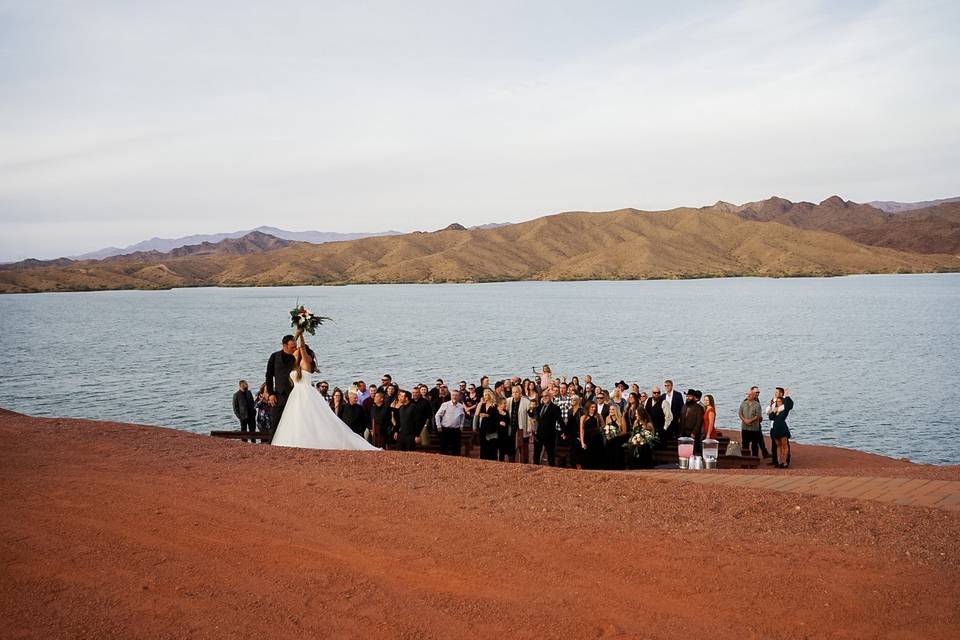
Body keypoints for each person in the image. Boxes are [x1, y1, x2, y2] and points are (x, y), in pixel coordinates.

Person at [270, 332, 379, 451]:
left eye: (296, 348)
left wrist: (300, 334)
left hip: (305, 394)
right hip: (295, 395)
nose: (295, 349)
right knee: (296, 420)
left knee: (309, 419)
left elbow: (301, 347)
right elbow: (289, 351)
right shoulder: (295, 364)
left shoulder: (305, 363)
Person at [264, 334, 298, 430]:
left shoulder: (297, 357)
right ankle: (272, 444)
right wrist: (271, 393)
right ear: (284, 346)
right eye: (292, 347)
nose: (295, 349)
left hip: (295, 395)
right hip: (279, 396)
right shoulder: (274, 356)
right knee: (276, 424)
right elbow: (269, 376)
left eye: (296, 346)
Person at [533, 389, 561, 466]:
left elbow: (560, 421)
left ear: (550, 396)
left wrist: (564, 432)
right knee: (536, 454)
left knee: (550, 455)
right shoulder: (539, 407)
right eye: (543, 396)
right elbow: (535, 419)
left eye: (546, 396)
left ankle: (552, 471)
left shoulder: (555, 408)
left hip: (550, 435)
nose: (545, 397)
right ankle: (535, 469)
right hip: (538, 435)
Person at [505, 385, 532, 463]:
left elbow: (529, 417)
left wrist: (529, 429)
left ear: (520, 393)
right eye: (513, 392)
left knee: (523, 449)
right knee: (511, 448)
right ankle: (511, 463)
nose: (514, 394)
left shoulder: (526, 402)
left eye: (516, 392)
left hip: (522, 429)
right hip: (511, 428)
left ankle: (524, 464)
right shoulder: (508, 401)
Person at [738, 386, 767, 458]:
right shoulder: (744, 403)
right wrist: (744, 420)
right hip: (745, 427)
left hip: (754, 427)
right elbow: (740, 412)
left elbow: (758, 415)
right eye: (747, 394)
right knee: (745, 443)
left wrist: (750, 420)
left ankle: (755, 457)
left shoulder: (757, 404)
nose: (748, 396)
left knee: (755, 444)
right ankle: (745, 458)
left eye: (758, 392)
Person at [768, 388, 794, 467]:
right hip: (775, 428)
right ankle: (779, 461)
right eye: (777, 402)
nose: (778, 403)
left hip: (782, 428)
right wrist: (774, 410)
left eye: (780, 401)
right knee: (778, 446)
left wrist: (786, 396)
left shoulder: (784, 409)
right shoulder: (775, 410)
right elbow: (770, 417)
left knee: (785, 445)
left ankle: (785, 462)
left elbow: (789, 405)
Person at [435, 389, 466, 456]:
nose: (454, 397)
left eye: (456, 395)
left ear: (459, 397)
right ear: (451, 396)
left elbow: (462, 416)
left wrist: (461, 426)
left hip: (456, 430)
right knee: (444, 449)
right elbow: (437, 415)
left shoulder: (460, 406)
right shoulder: (445, 405)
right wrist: (438, 426)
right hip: (445, 429)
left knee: (456, 449)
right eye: (453, 395)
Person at [579, 401, 604, 470]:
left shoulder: (599, 416)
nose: (593, 408)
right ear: (588, 407)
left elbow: (603, 427)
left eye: (595, 407)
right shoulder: (583, 417)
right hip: (587, 439)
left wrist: (599, 431)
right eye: (592, 407)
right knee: (587, 458)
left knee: (597, 457)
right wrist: (582, 442)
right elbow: (582, 431)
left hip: (597, 439)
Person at [476, 390, 500, 460]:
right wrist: (480, 403)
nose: (485, 396)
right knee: (483, 445)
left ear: (489, 395)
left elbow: (496, 416)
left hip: (492, 427)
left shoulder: (494, 405)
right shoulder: (482, 404)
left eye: (486, 395)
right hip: (483, 427)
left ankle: (493, 460)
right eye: (484, 395)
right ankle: (483, 460)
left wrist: (487, 415)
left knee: (492, 445)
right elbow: (477, 414)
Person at [679, 388, 706, 453]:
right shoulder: (684, 406)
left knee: (693, 451)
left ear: (694, 397)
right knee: (684, 451)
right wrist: (680, 432)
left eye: (690, 396)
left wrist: (694, 433)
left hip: (693, 433)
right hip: (684, 432)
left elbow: (699, 422)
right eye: (687, 396)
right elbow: (681, 419)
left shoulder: (699, 408)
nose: (688, 398)